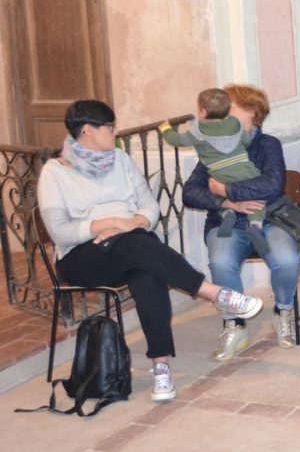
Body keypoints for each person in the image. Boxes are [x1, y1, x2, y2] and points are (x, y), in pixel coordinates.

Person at [40, 100, 264, 401]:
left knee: (145, 268)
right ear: (87, 131)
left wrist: (132, 222)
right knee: (140, 248)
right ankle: (216, 294)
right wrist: (106, 223)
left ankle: (161, 369)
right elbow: (59, 231)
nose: (114, 132)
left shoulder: (119, 159)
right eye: (109, 127)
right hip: (81, 256)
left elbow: (149, 205)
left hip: (130, 244)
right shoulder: (55, 172)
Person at [183, 83, 299, 358]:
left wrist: (226, 189)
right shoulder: (213, 147)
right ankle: (235, 325)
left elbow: (272, 185)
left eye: (229, 108)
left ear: (251, 113)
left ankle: (283, 311)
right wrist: (226, 202)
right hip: (227, 222)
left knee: (287, 260)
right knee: (221, 262)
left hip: (269, 219)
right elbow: (190, 192)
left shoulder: (268, 144)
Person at [162, 88, 267, 251]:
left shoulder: (199, 131)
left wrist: (165, 129)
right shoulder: (235, 124)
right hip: (244, 168)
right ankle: (256, 225)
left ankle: (227, 214)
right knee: (259, 199)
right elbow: (246, 140)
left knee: (216, 191)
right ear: (227, 110)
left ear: (203, 112)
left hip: (218, 173)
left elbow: (177, 140)